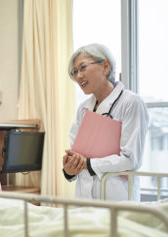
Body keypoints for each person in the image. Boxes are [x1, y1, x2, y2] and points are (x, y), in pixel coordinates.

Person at [62, 43, 149, 201]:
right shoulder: (83, 109)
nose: (78, 76)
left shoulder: (130, 102)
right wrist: (69, 169)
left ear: (105, 66)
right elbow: (76, 154)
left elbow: (130, 159)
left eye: (83, 68)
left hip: (118, 202)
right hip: (84, 201)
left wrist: (88, 164)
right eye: (75, 72)